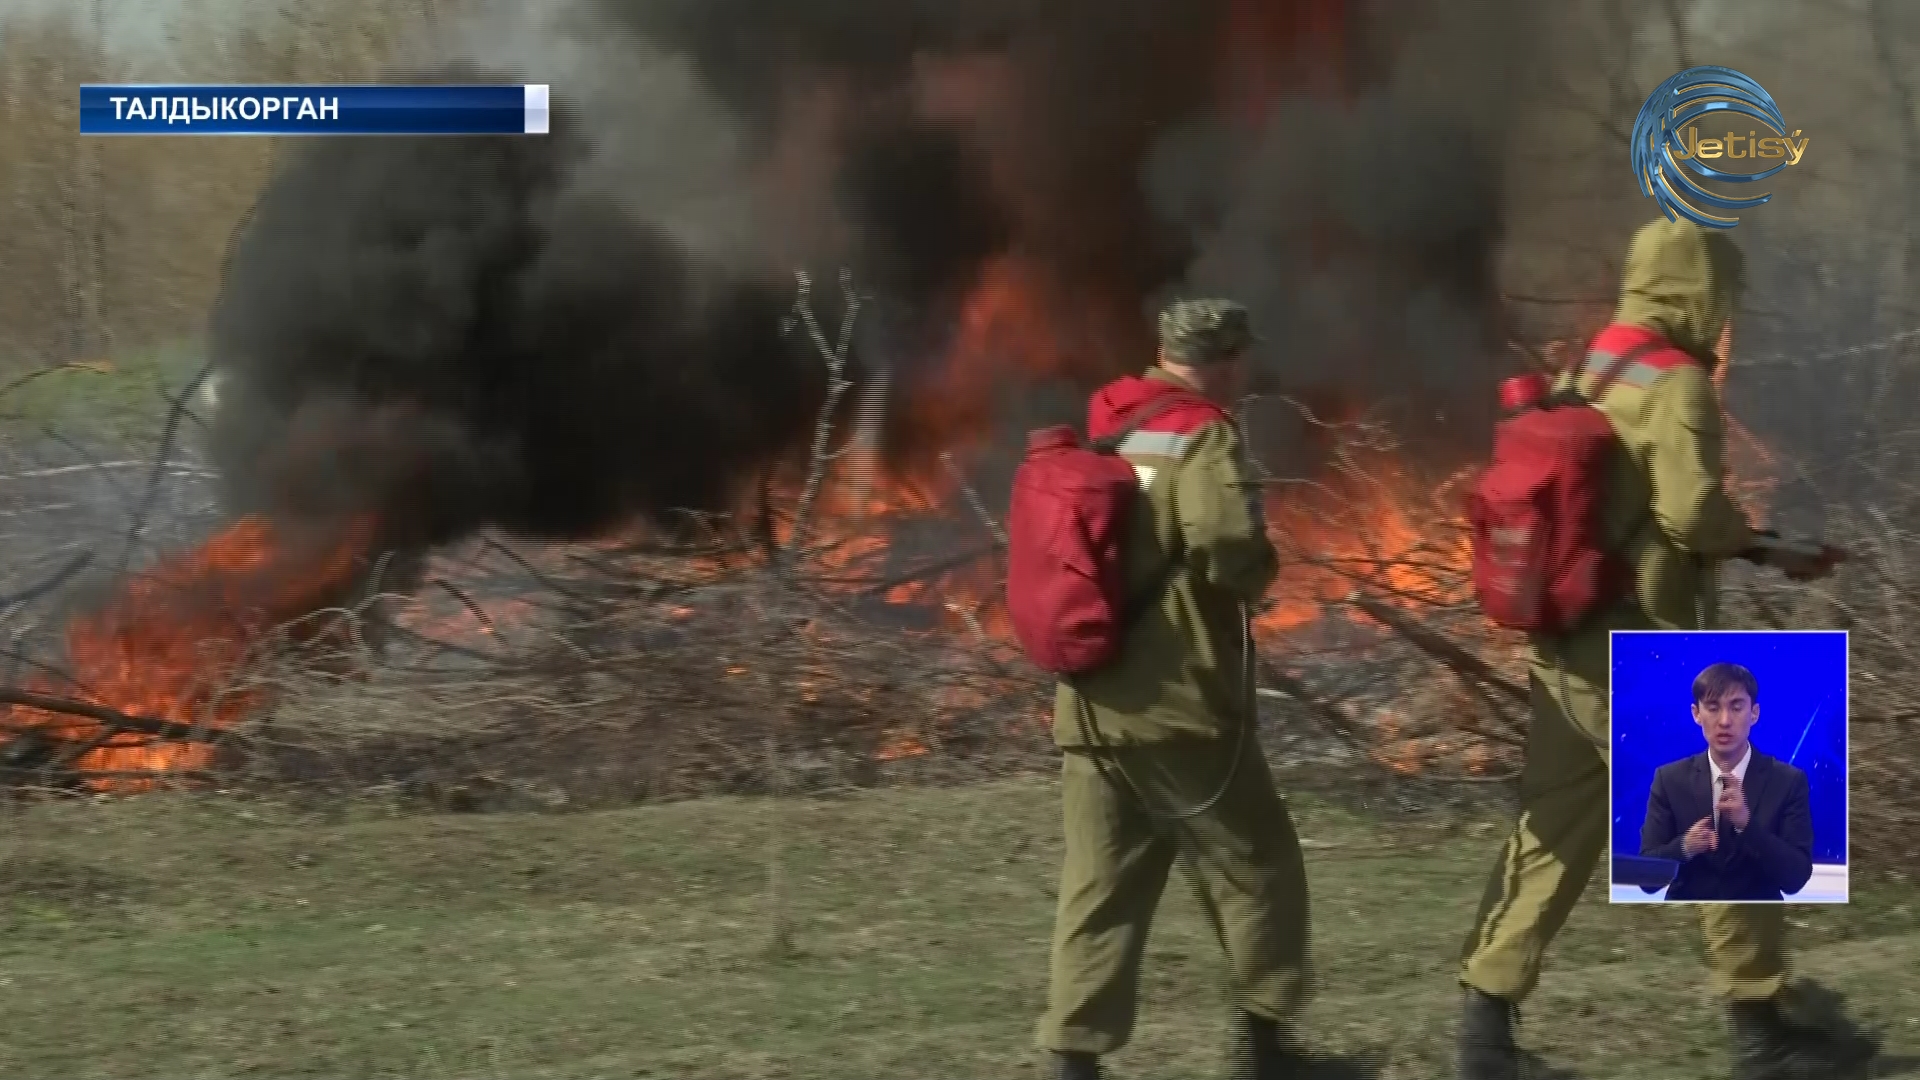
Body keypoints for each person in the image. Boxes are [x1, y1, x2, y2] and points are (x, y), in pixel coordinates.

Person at [1453, 220, 1878, 1080]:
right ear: (1699, 293)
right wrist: (1761, 545)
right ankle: (1762, 1034)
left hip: (1566, 643)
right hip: (1640, 645)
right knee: (1742, 807)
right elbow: (1690, 517)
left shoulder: (1588, 367)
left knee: (1554, 831)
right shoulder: (1676, 382)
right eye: (1722, 298)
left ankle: (1484, 1033)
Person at [1036, 299, 1314, 1080]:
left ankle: (1073, 1063)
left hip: (1092, 706)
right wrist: (1259, 572)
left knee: (1098, 891)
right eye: (1241, 358)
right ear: (1224, 359)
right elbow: (1225, 540)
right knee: (1259, 865)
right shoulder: (1202, 433)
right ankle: (1269, 1052)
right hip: (1180, 706)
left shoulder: (1109, 426)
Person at [1641, 662, 1814, 902]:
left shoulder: (1788, 781)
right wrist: (1684, 848)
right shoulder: (1669, 780)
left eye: (1736, 707)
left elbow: (1795, 879)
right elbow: (1646, 881)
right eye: (1713, 708)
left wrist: (1747, 826)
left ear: (1754, 713)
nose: (1724, 721)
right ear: (1696, 714)